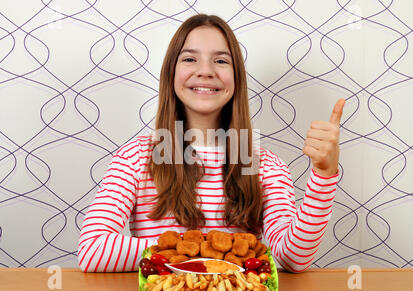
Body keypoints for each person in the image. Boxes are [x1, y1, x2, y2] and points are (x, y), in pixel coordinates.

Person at [77, 14, 345, 273]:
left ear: (236, 77)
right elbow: (92, 250)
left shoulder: (263, 164)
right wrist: (203, 252)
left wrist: (323, 176)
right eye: (190, 58)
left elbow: (292, 258)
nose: (205, 71)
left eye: (220, 61)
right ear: (171, 73)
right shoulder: (138, 157)